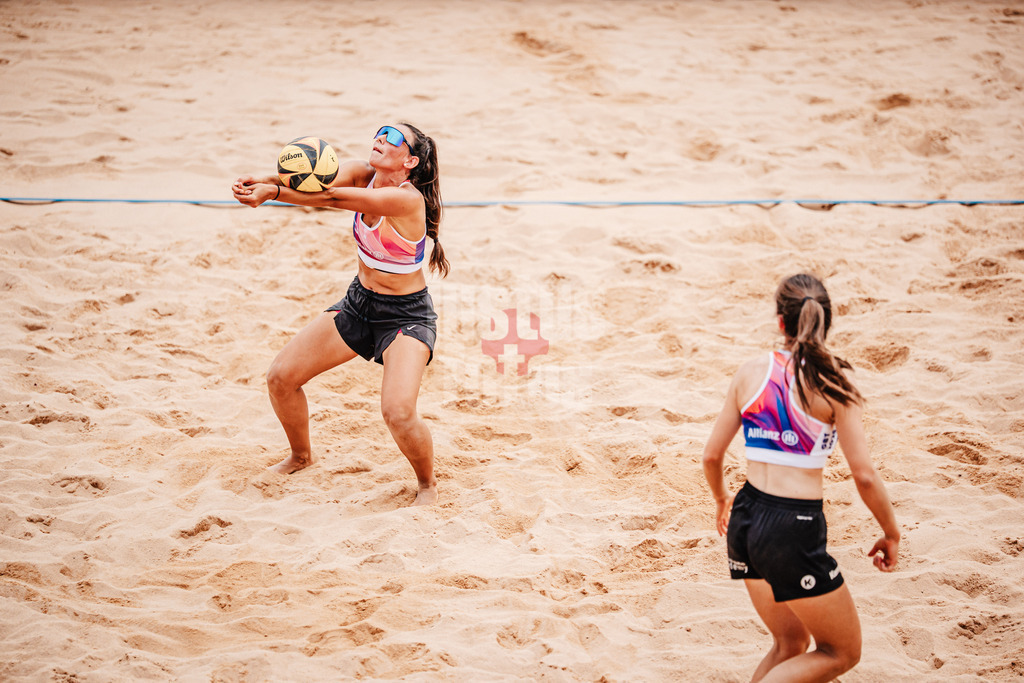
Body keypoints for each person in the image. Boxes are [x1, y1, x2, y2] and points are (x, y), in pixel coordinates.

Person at [231, 122, 448, 506]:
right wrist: (261, 182)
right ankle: (301, 456)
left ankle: (428, 484)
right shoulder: (363, 174)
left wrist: (273, 194)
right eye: (381, 131)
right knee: (281, 378)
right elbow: (315, 183)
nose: (381, 139)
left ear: (410, 161)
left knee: (398, 412)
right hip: (359, 303)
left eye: (394, 138)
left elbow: (330, 199)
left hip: (405, 317)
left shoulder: (407, 200)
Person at [702, 273, 900, 682]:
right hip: (792, 525)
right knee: (841, 652)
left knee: (790, 645)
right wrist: (890, 531)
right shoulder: (834, 381)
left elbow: (711, 455)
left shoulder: (751, 372)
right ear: (826, 322)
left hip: (746, 516)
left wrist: (722, 499)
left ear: (780, 322)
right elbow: (863, 475)